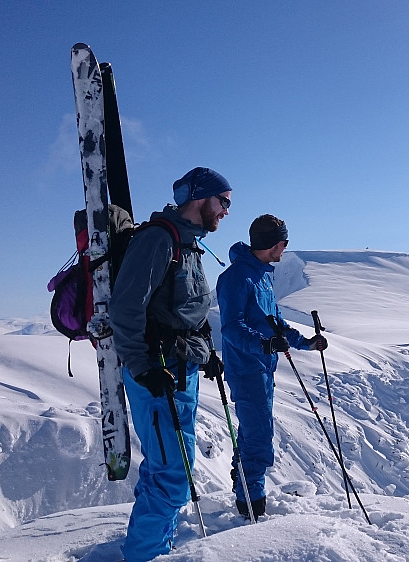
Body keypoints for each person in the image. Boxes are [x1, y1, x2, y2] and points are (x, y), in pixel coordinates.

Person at [109, 167, 232, 561]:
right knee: (173, 478)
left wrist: (207, 352)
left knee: (166, 471)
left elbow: (187, 311)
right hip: (157, 373)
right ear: (201, 199)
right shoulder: (159, 240)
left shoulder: (189, 244)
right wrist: (142, 366)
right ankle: (144, 556)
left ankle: (155, 549)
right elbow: (125, 307)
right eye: (224, 202)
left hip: (181, 371)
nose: (227, 211)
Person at [216, 214, 328, 520]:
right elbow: (231, 328)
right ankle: (252, 506)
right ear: (273, 244)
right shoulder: (237, 278)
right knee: (258, 439)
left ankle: (246, 492)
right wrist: (263, 345)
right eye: (284, 242)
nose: (286, 247)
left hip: (263, 368)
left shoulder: (263, 275)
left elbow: (275, 322)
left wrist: (306, 342)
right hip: (246, 369)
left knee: (254, 434)